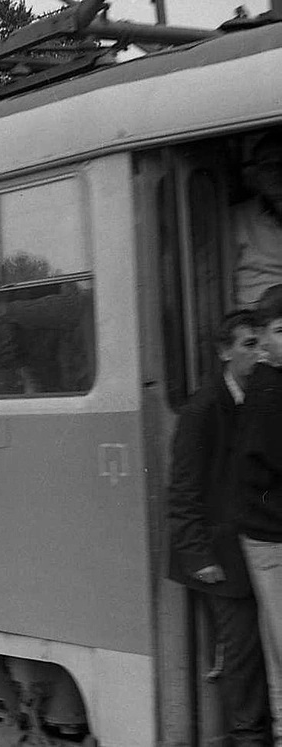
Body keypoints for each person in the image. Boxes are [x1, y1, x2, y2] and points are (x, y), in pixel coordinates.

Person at [168, 310, 272, 745]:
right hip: (221, 555)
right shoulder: (202, 409)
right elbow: (184, 490)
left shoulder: (262, 397)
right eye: (249, 344)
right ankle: (247, 736)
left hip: (254, 544)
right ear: (224, 352)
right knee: (242, 652)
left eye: (263, 343)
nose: (260, 352)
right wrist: (200, 556)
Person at [237, 288, 282, 741]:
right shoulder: (267, 390)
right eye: (281, 331)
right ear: (264, 339)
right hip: (271, 539)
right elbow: (264, 465)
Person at [234, 132, 282, 308]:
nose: (275, 170)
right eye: (266, 164)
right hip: (255, 317)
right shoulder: (236, 218)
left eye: (280, 162)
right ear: (255, 172)